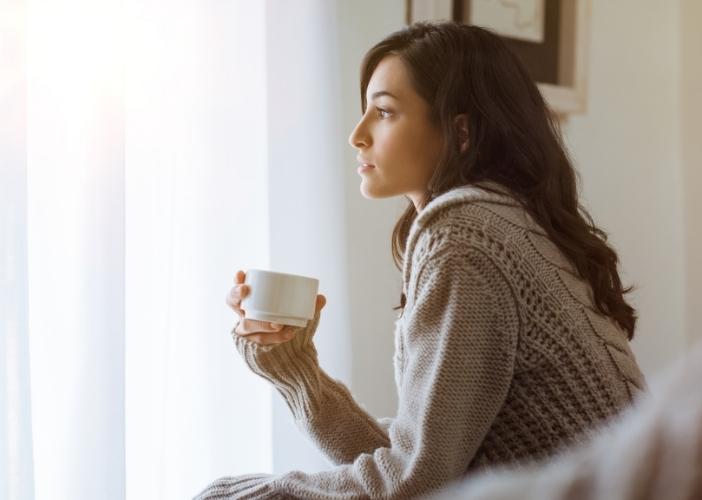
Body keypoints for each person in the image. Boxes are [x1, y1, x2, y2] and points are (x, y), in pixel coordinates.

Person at [195, 20, 645, 499]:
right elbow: (422, 463)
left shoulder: (467, 237)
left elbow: (413, 481)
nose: (357, 135)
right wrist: (293, 369)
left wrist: (251, 493)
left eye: (384, 112)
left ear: (461, 131)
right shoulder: (500, 222)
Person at [418, 316, 702, 500]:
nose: (358, 150)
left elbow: (420, 475)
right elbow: (422, 448)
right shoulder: (529, 224)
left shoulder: (462, 232)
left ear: (461, 150)